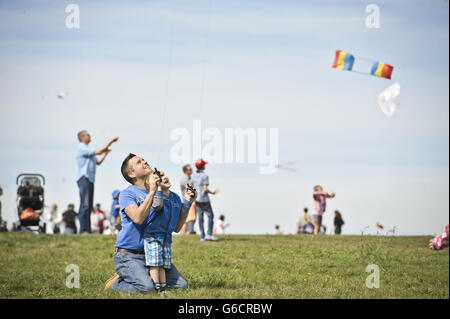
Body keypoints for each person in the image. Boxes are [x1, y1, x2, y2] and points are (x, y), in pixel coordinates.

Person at [104, 153, 189, 293]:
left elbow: (177, 227)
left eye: (143, 159)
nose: (144, 161)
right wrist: (152, 192)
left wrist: (188, 203)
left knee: (181, 286)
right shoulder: (127, 194)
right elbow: (138, 218)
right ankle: (117, 282)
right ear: (132, 173)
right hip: (129, 255)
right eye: (139, 162)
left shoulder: (162, 195)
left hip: (154, 252)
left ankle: (141, 276)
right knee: (147, 288)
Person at [144, 168, 196, 291]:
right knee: (155, 263)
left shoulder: (176, 198)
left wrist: (188, 200)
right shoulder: (155, 197)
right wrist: (158, 189)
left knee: (163, 264)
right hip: (153, 236)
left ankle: (162, 286)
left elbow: (180, 218)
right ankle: (157, 286)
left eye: (164, 174)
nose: (164, 177)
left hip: (167, 237)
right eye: (159, 177)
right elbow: (157, 206)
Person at [76, 130, 119, 234]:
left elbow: (98, 161)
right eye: (87, 134)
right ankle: (83, 230)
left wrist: (106, 153)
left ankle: (87, 230)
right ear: (82, 137)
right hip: (84, 178)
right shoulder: (82, 148)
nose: (90, 135)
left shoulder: (88, 150)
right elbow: (98, 152)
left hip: (89, 179)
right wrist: (111, 141)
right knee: (84, 205)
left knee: (89, 206)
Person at [191, 158, 219, 242]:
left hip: (197, 199)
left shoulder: (193, 176)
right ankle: (209, 234)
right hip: (204, 199)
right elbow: (205, 188)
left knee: (200, 217)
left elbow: (191, 187)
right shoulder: (205, 176)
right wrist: (213, 193)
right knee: (210, 216)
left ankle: (202, 237)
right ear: (202, 166)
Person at [180, 164, 196, 234]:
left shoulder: (190, 179)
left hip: (189, 200)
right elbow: (189, 188)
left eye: (191, 169)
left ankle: (184, 233)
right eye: (189, 169)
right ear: (185, 171)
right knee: (188, 217)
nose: (191, 170)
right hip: (187, 201)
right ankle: (188, 232)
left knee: (186, 218)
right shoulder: (184, 179)